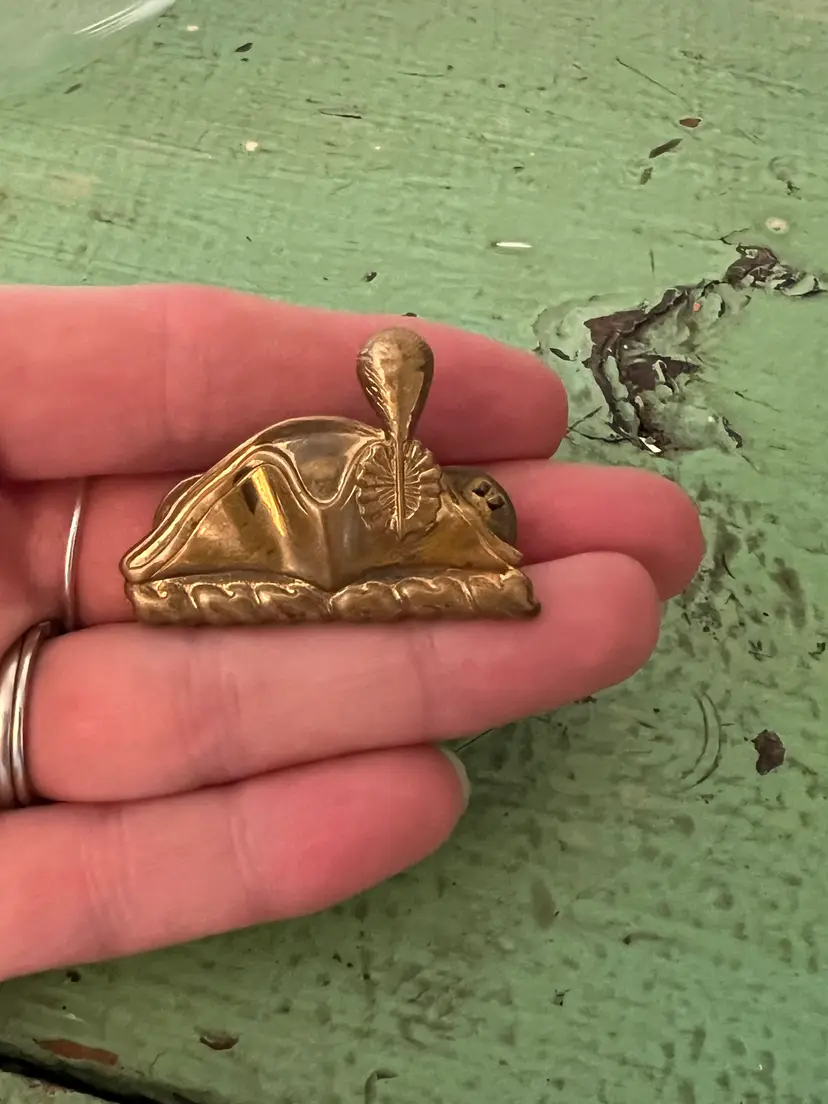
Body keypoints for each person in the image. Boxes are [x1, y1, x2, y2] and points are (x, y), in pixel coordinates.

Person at [0, 284, 704, 981]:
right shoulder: (349, 479)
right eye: (482, 499)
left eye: (487, 507)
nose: (485, 501)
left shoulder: (429, 509)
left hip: (327, 534)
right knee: (278, 503)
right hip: (273, 513)